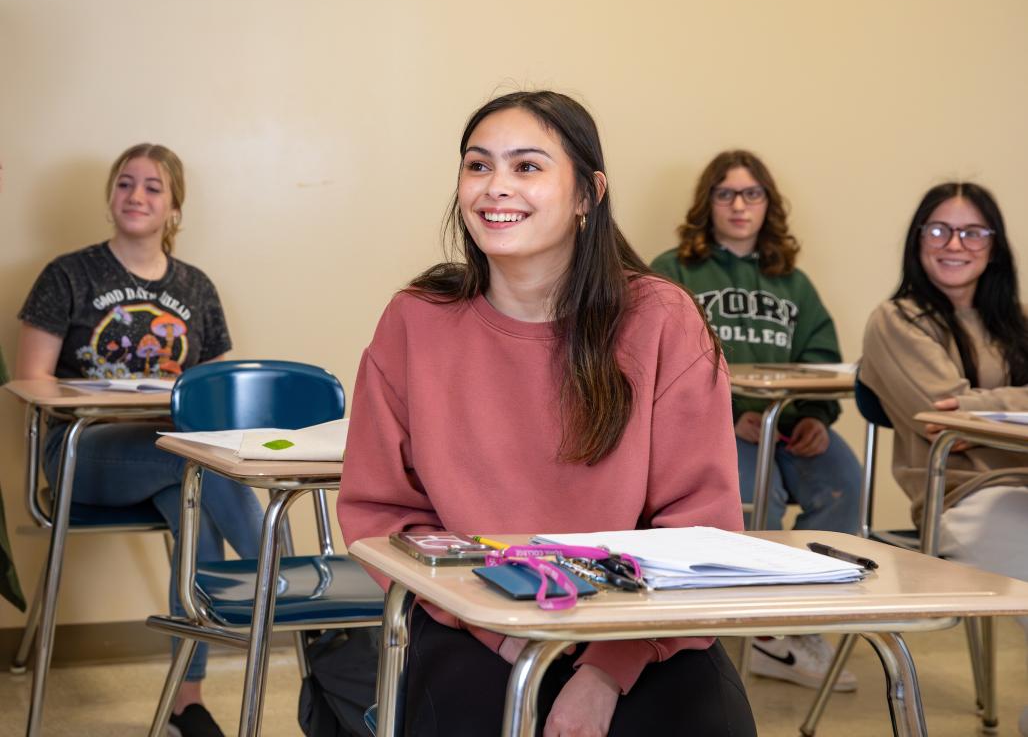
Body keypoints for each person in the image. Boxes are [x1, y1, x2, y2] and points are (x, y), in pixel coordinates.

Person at [337, 92, 756, 737]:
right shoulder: (415, 321)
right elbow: (385, 515)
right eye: (478, 167)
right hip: (473, 622)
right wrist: (514, 641)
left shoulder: (661, 319)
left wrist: (603, 672)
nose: (495, 188)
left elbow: (699, 530)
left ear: (589, 193)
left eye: (527, 167)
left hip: (640, 629)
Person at [16, 143, 264, 737]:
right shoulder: (68, 275)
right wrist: (118, 398)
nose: (136, 196)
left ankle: (188, 701)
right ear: (110, 198)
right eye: (125, 184)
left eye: (153, 187)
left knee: (197, 500)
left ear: (174, 207)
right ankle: (275, 578)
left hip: (169, 459)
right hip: (83, 455)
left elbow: (221, 394)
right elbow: (31, 382)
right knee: (193, 466)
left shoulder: (196, 288)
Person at [651, 150, 862, 692]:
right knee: (751, 498)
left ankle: (796, 622)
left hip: (793, 426)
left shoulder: (792, 281)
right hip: (717, 426)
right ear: (708, 203)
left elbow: (821, 353)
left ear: (769, 204)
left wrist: (817, 417)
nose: (740, 205)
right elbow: (658, 361)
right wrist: (733, 413)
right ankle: (760, 629)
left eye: (752, 194)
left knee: (844, 484)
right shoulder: (674, 271)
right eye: (726, 194)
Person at [860, 181, 1028, 737]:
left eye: (973, 231)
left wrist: (982, 405)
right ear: (918, 239)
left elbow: (966, 411)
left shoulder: (1014, 323)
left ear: (995, 245)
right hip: (963, 499)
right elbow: (941, 419)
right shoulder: (897, 320)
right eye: (939, 228)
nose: (955, 242)